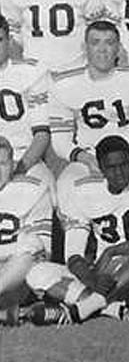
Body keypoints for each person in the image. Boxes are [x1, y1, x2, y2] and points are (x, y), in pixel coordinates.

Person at [26, 135, 129, 323]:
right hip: (104, 275)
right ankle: (115, 310)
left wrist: (113, 251)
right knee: (36, 272)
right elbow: (73, 255)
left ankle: (83, 309)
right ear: (100, 168)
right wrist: (92, 279)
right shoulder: (83, 191)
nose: (119, 173)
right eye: (111, 167)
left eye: (124, 165)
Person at [49, 20, 129, 176]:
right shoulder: (64, 85)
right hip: (87, 156)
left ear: (118, 48)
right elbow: (60, 140)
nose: (102, 49)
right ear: (84, 48)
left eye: (109, 43)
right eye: (95, 43)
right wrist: (87, 159)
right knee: (68, 185)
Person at [0, 137, 52, 324]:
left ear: (13, 165)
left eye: (2, 164)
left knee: (30, 250)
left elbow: (40, 248)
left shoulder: (33, 189)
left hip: (15, 274)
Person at [0, 16, 53, 182]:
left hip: (23, 156)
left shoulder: (31, 73)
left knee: (30, 191)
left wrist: (20, 168)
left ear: (9, 41)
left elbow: (41, 134)